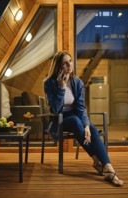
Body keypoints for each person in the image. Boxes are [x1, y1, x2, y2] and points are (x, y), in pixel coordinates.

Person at [44, 51, 123, 187]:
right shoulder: (49, 83)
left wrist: (86, 125)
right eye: (65, 62)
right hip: (60, 119)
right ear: (58, 66)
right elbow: (55, 110)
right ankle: (96, 160)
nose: (69, 65)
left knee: (90, 127)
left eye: (70, 61)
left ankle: (109, 168)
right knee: (75, 121)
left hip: (76, 118)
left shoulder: (77, 82)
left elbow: (81, 107)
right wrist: (62, 88)